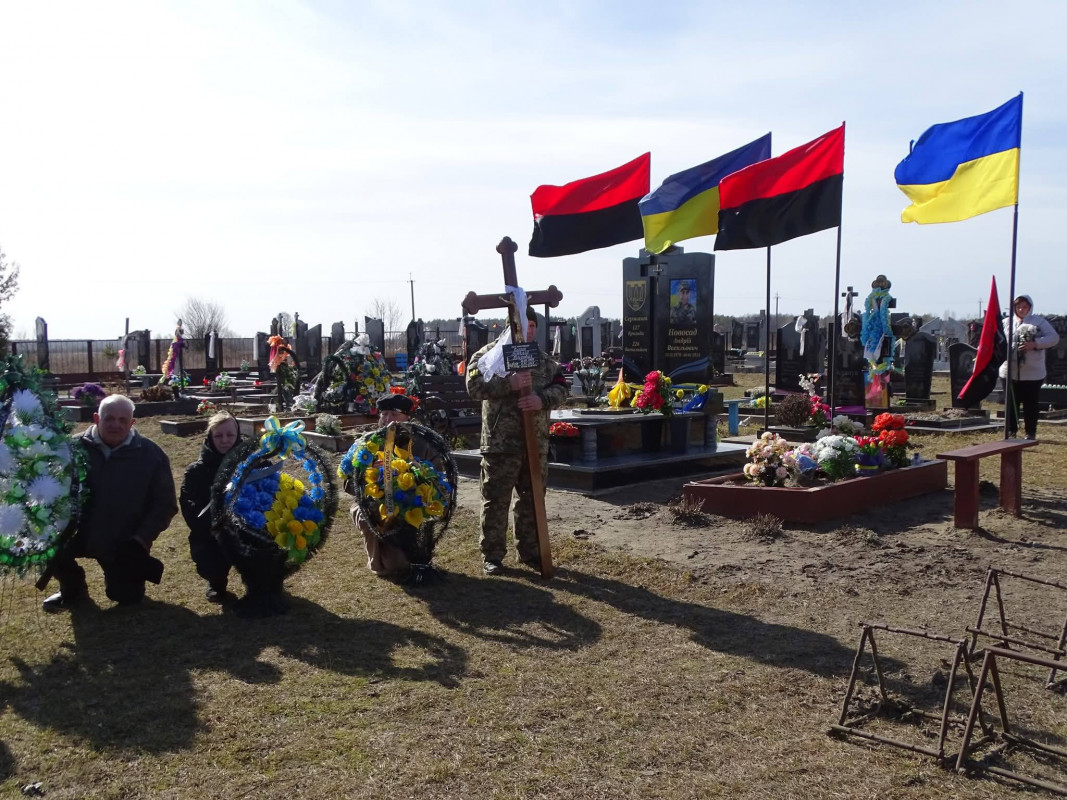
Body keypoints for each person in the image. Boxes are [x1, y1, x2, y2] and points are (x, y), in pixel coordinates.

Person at [43, 394, 178, 611]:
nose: (116, 424)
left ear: (132, 423)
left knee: (127, 596)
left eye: (123, 420)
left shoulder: (151, 455)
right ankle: (72, 585)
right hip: (76, 533)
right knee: (46, 546)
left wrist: (141, 539)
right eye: (109, 418)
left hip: (122, 540)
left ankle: (124, 579)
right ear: (96, 418)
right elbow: (49, 490)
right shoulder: (70, 449)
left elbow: (165, 504)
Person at [465, 305, 569, 575]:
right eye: (524, 325)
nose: (529, 331)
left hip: (535, 442)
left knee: (532, 499)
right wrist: (506, 385)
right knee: (495, 500)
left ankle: (531, 551)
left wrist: (541, 399)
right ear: (511, 327)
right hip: (501, 442)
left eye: (533, 326)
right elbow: (473, 387)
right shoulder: (489, 356)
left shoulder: (543, 360)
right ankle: (493, 556)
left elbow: (562, 388)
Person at [346, 393, 419, 579]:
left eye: (394, 415)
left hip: (408, 506)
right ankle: (376, 560)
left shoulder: (421, 442)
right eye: (384, 414)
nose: (388, 420)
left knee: (398, 565)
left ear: (406, 417)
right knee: (365, 517)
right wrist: (370, 486)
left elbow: (436, 476)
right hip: (369, 504)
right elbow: (347, 481)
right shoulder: (366, 443)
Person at [180, 412, 241, 602]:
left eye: (230, 435)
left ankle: (261, 582)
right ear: (210, 437)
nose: (224, 440)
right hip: (212, 531)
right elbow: (190, 508)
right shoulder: (196, 471)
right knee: (210, 558)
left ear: (238, 435)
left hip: (249, 528)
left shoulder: (254, 463)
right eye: (218, 436)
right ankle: (216, 581)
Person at [1001, 294, 1060, 440]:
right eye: (1018, 306)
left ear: (1030, 308)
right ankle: (1011, 430)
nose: (1021, 309)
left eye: (1025, 307)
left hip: (1033, 372)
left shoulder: (1039, 322)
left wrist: (1035, 344)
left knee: (1030, 403)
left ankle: (1030, 432)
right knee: (1011, 403)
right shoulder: (1006, 322)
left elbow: (1053, 338)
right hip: (1009, 370)